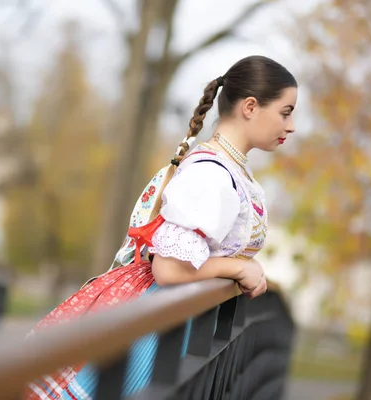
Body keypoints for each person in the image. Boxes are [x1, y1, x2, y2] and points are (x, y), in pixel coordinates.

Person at [23, 55, 298, 400]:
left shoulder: (231, 171)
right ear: (251, 106)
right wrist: (237, 266)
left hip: (179, 323)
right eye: (286, 112)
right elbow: (168, 268)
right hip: (154, 327)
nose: (291, 126)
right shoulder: (211, 173)